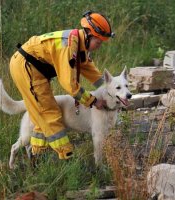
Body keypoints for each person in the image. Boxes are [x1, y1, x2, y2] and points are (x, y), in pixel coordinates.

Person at [9, 11, 115, 160]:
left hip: (34, 68)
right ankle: (67, 157)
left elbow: (93, 73)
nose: (99, 46)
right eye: (98, 42)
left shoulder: (81, 46)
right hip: (26, 67)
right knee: (50, 113)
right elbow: (69, 85)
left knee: (42, 115)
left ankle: (36, 155)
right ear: (89, 34)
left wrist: (112, 89)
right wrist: (93, 101)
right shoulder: (70, 45)